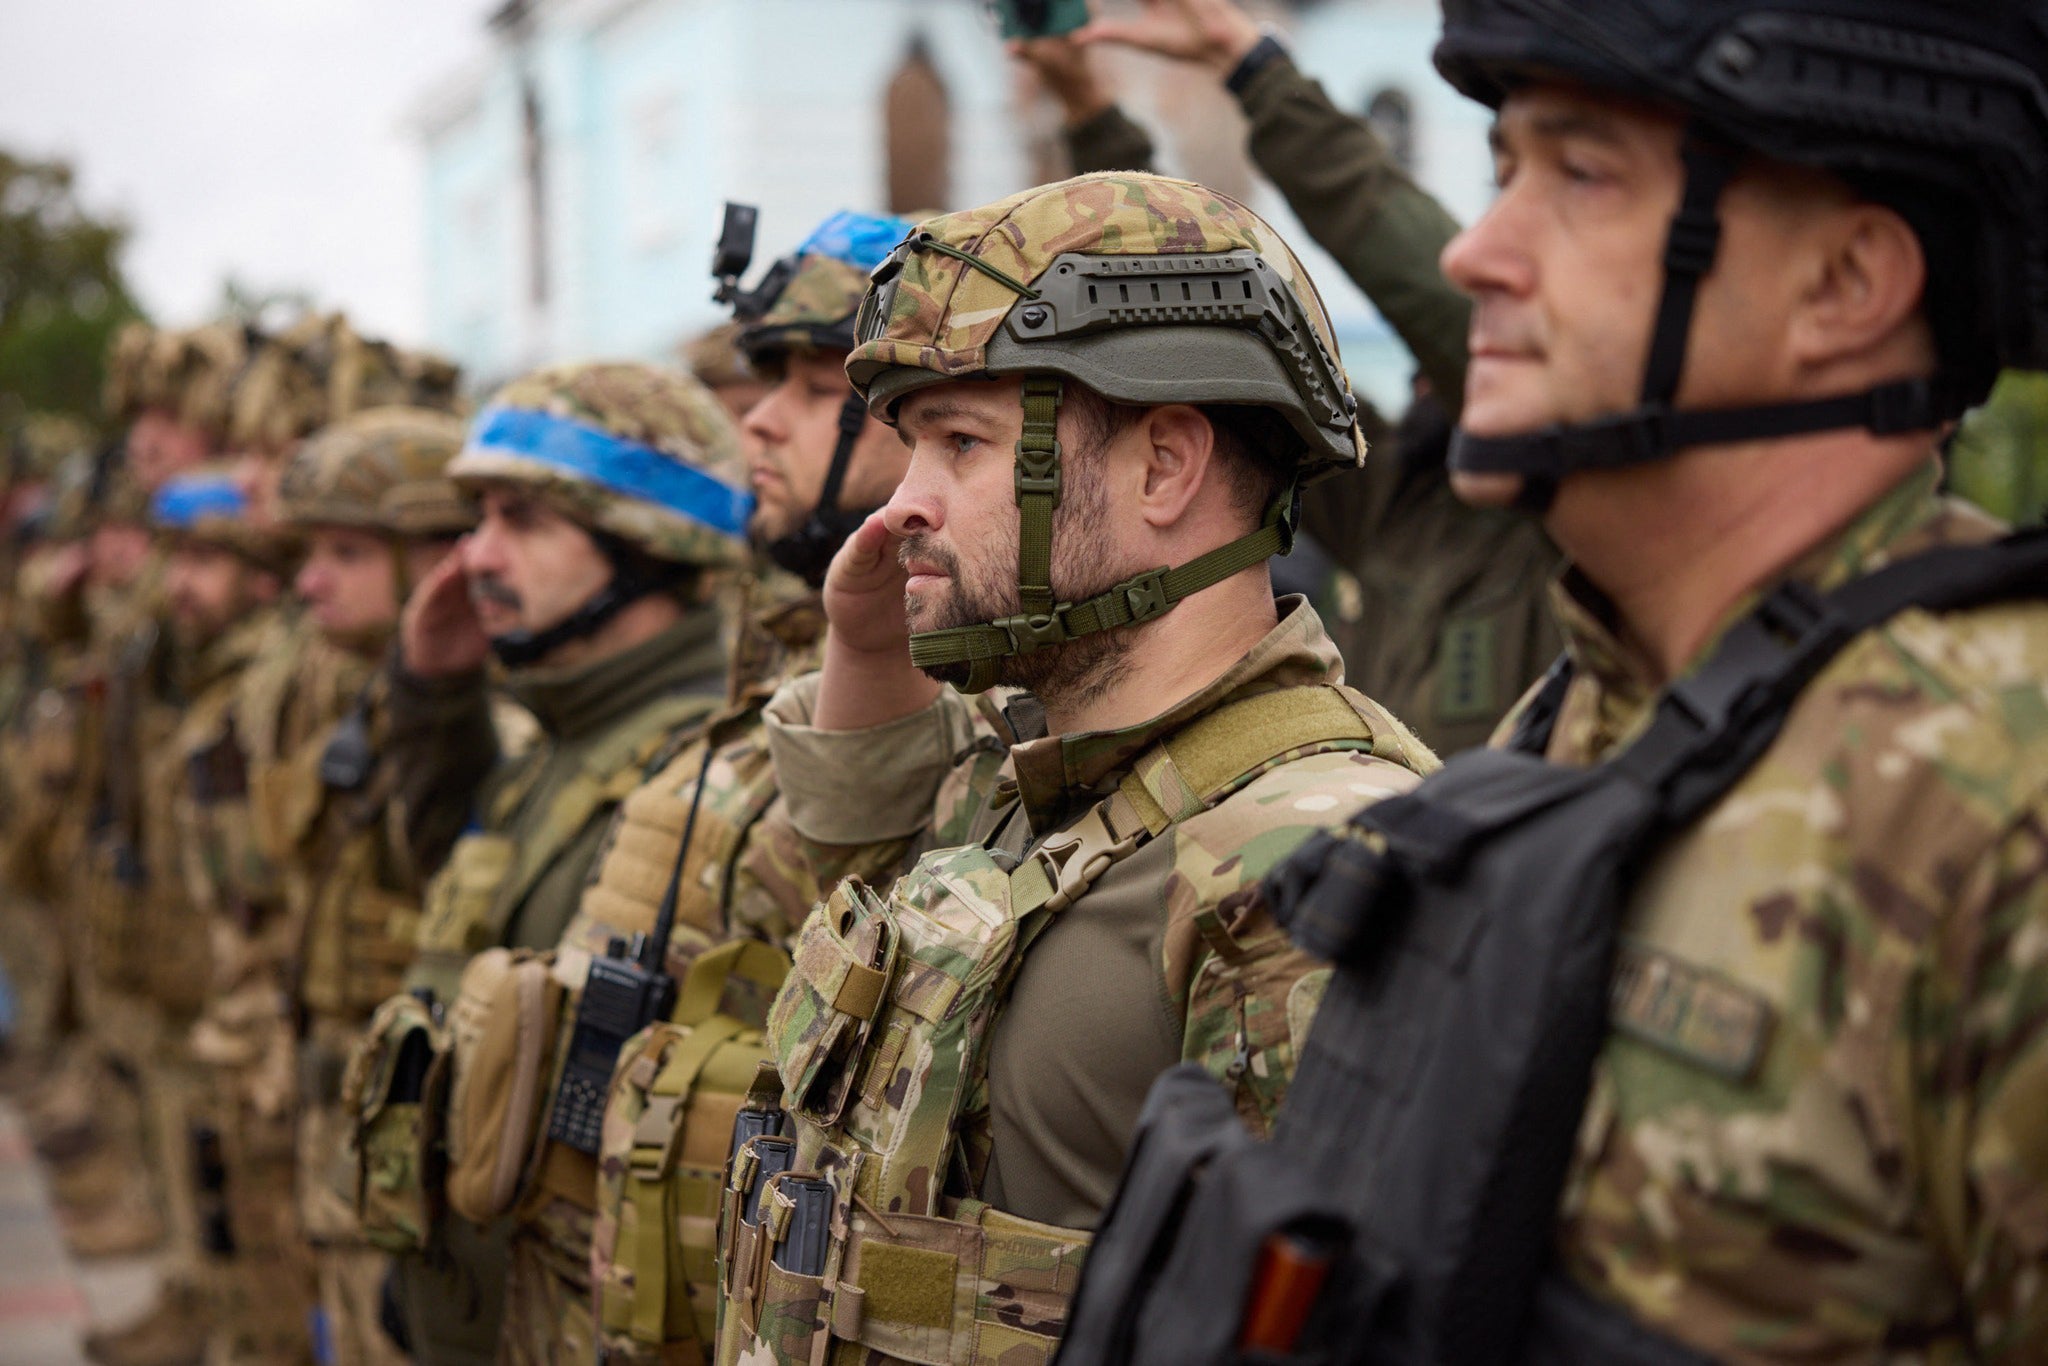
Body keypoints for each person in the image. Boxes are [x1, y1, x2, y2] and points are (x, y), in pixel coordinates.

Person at [1071, 3, 2048, 1360]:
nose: (1477, 252)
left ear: (1843, 288)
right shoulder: (1580, 723)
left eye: (1581, 177)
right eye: (1503, 170)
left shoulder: (2001, 796)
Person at [714, 171, 1436, 1366]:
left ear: (1162, 468)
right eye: (910, 447)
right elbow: (867, 870)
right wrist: (862, 642)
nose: (905, 504)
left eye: (960, 442)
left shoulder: (1304, 861)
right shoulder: (1044, 790)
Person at [1015, 0, 1564, 752]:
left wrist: (1255, 69)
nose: (1435, 363)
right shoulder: (1399, 506)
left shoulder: (1556, 521)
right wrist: (1090, 111)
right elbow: (1215, 320)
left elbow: (1419, 281)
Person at [377, 361, 751, 1366]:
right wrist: (433, 696)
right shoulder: (560, 734)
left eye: (522, 522)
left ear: (645, 545)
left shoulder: (702, 770)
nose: (473, 556)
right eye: (478, 517)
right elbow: (448, 895)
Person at [270, 408, 477, 1366]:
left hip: (418, 1148)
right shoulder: (364, 692)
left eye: (346, 552)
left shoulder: (479, 729)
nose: (309, 581)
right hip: (351, 1129)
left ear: (439, 557)